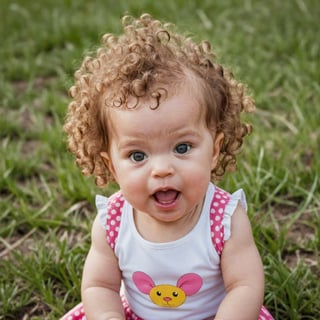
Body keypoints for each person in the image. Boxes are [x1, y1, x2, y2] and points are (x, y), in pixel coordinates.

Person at [61, 13, 274, 320]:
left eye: (182, 148)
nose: (161, 169)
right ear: (112, 165)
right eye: (137, 156)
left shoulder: (225, 220)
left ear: (214, 150)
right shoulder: (113, 222)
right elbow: (100, 286)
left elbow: (245, 285)